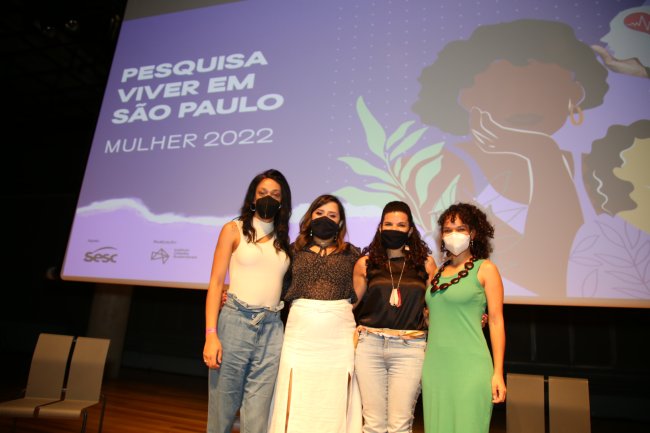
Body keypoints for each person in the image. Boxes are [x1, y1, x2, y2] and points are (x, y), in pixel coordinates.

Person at [412, 19, 609, 297]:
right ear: (466, 97)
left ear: (575, 92)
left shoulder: (597, 170)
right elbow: (548, 270)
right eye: (502, 89)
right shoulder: (452, 166)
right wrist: (542, 153)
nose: (524, 103)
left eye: (543, 88)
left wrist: (542, 152)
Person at [203, 169, 292, 433]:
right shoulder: (233, 230)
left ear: (283, 202)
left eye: (275, 195)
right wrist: (211, 334)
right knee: (222, 410)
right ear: (252, 198)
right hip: (235, 322)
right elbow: (216, 283)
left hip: (272, 328)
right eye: (263, 193)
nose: (269, 198)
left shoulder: (286, 240)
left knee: (258, 416)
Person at [268, 194, 362, 433]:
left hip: (339, 336)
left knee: (335, 396)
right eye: (320, 214)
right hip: (300, 335)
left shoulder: (353, 254)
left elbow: (361, 292)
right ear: (310, 217)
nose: (325, 219)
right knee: (296, 393)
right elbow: (274, 286)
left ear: (340, 223)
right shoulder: (292, 252)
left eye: (332, 215)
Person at [352, 201, 436, 433]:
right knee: (373, 424)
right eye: (388, 224)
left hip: (410, 348)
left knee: (400, 424)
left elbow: (437, 307)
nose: (394, 229)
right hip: (370, 345)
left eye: (401, 225)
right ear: (380, 228)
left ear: (410, 230)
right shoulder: (365, 264)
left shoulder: (425, 263)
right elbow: (348, 305)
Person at [422, 202, 506, 433]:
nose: (453, 234)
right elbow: (437, 317)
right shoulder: (438, 272)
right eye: (448, 230)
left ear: (474, 233)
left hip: (470, 367)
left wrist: (498, 372)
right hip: (435, 368)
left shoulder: (486, 269)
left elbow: (497, 322)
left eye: (460, 228)